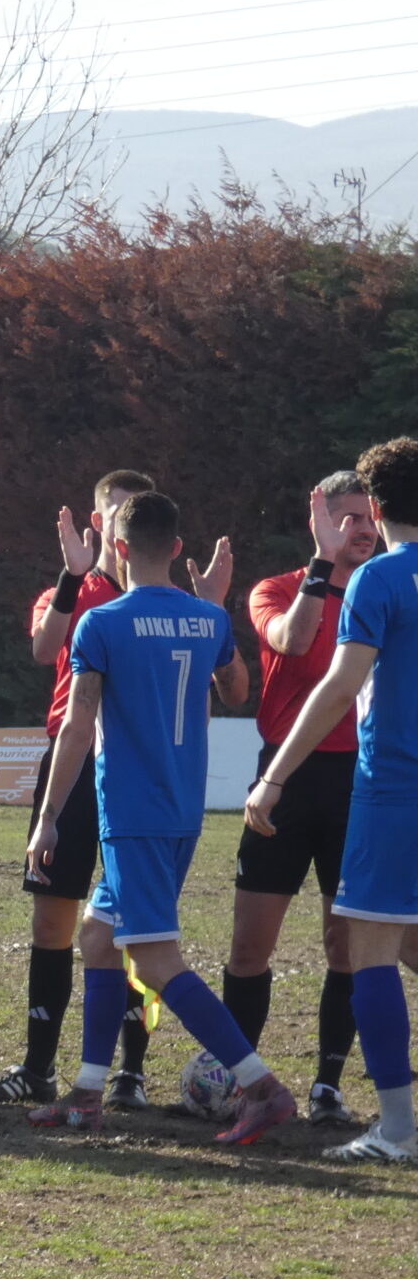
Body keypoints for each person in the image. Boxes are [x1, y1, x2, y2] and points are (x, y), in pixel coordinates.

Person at [31, 490, 292, 1142]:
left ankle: (260, 1087)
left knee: (154, 961)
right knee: (97, 940)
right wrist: (213, 602)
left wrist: (49, 815)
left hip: (132, 812)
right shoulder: (208, 620)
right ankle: (90, 1091)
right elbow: (236, 692)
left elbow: (78, 722)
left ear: (117, 548)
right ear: (177, 548)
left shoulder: (103, 623)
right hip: (180, 810)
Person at [246, 437, 418, 1162]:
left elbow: (340, 686)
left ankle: (398, 1130)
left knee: (369, 948)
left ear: (375, 508)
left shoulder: (379, 579)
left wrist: (274, 775)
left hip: (393, 788)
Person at [0, 469, 159, 1106]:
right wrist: (73, 578)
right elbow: (44, 649)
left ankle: (131, 1073)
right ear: (96, 520)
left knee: (131, 921)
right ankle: (38, 1068)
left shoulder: (161, 597)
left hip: (132, 762)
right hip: (70, 762)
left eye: (133, 510)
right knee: (52, 920)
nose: (118, 521)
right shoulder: (72, 589)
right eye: (111, 510)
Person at [221, 473, 380, 1126]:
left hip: (362, 785)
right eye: (347, 519)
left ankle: (328, 1086)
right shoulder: (278, 588)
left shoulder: (393, 591)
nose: (362, 530)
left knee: (349, 946)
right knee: (249, 948)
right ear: (319, 523)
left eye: (369, 519)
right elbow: (290, 639)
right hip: (283, 780)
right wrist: (322, 563)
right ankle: (245, 1081)